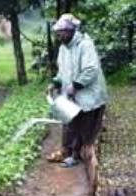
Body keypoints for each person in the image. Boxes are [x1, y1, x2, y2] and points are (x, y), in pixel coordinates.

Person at [47, 14, 108, 169]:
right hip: (73, 94)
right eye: (57, 32)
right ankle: (67, 151)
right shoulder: (63, 48)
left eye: (61, 32)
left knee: (84, 126)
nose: (58, 35)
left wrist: (75, 85)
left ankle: (76, 155)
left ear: (70, 30)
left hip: (89, 95)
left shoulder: (84, 45)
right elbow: (63, 71)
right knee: (69, 122)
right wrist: (55, 83)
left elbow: (90, 69)